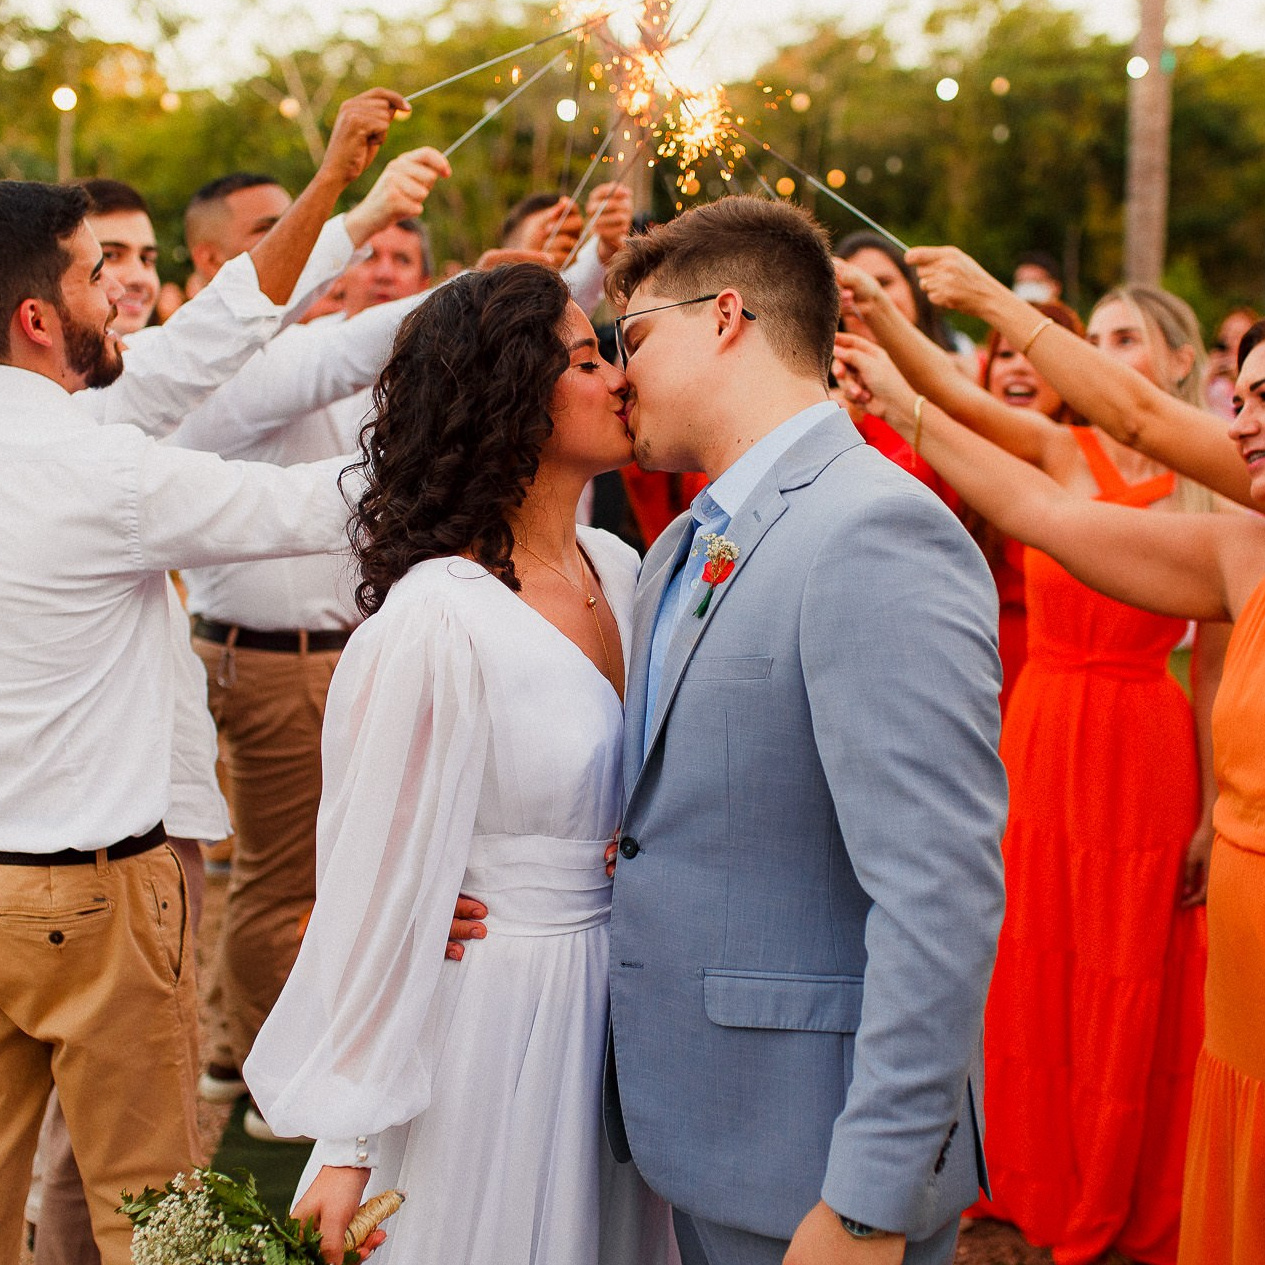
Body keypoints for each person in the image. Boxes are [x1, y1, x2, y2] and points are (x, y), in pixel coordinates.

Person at [0, 88, 401, 1265]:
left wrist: (333, 186)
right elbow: (312, 509)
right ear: (37, 316)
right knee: (158, 1221)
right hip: (95, 900)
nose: (122, 294)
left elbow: (213, 332)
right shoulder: (98, 468)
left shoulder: (87, 423)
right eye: (95, 276)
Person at [597, 196, 1007, 1264]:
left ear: (723, 314)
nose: (618, 374)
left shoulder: (873, 528)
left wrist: (869, 1199)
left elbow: (937, 890)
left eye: (632, 337)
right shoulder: (681, 542)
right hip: (697, 1131)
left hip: (815, 1163)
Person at [245, 263, 673, 1264]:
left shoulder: (626, 569)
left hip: (630, 1001)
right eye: (586, 359)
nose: (620, 377)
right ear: (510, 394)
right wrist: (350, 1143)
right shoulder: (435, 618)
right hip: (496, 1013)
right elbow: (369, 883)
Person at [834, 289, 1265, 1265]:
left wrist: (984, 297)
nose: (1240, 423)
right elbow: (1038, 511)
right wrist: (898, 397)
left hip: (1144, 756)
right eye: (1238, 401)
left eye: (1260, 400)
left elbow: (1142, 418)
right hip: (1071, 753)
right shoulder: (1242, 552)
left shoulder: (1209, 506)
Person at [833, 231, 962, 502]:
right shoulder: (827, 405)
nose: (866, 295)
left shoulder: (967, 373)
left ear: (913, 288)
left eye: (883, 282)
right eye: (850, 289)